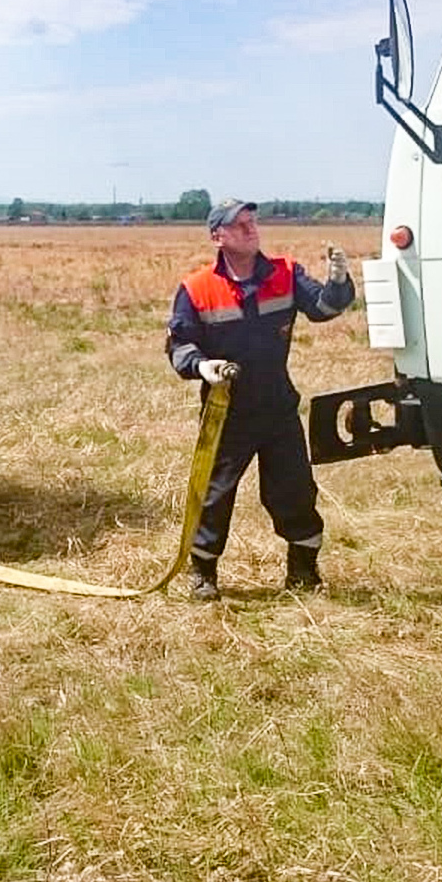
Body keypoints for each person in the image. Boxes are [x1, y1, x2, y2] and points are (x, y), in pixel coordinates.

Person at [165, 199, 355, 601]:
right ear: (218, 236)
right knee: (214, 493)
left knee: (295, 491)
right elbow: (180, 344)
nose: (252, 229)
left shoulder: (285, 274)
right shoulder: (197, 288)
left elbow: (323, 307)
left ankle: (303, 572)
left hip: (277, 408)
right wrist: (203, 367)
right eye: (240, 225)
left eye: (253, 222)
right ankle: (203, 573)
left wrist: (338, 283)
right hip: (226, 411)